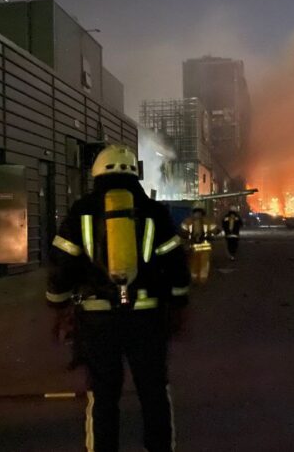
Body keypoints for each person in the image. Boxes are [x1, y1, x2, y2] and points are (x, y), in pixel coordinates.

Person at [47, 145, 190, 452]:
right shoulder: (154, 211)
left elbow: (61, 264)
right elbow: (177, 265)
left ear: (96, 173)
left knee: (102, 396)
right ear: (135, 174)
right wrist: (178, 305)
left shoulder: (82, 210)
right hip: (147, 318)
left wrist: (57, 305)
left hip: (97, 319)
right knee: (153, 392)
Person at [180, 203, 220, 285]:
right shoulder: (208, 221)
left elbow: (183, 232)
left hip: (193, 247)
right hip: (205, 246)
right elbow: (215, 231)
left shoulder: (188, 221)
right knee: (204, 263)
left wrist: (186, 240)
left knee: (193, 263)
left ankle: (194, 279)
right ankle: (202, 279)